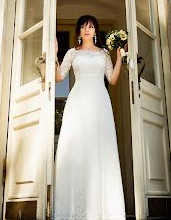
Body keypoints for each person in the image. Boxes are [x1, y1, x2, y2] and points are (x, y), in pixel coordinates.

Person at [53, 15, 126, 220]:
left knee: (101, 149)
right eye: (83, 26)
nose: (87, 29)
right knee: (78, 148)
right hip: (78, 102)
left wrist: (119, 57)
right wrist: (54, 55)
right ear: (79, 31)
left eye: (91, 26)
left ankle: (102, 209)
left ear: (95, 31)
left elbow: (112, 80)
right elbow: (59, 77)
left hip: (100, 102)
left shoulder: (103, 54)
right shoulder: (71, 53)